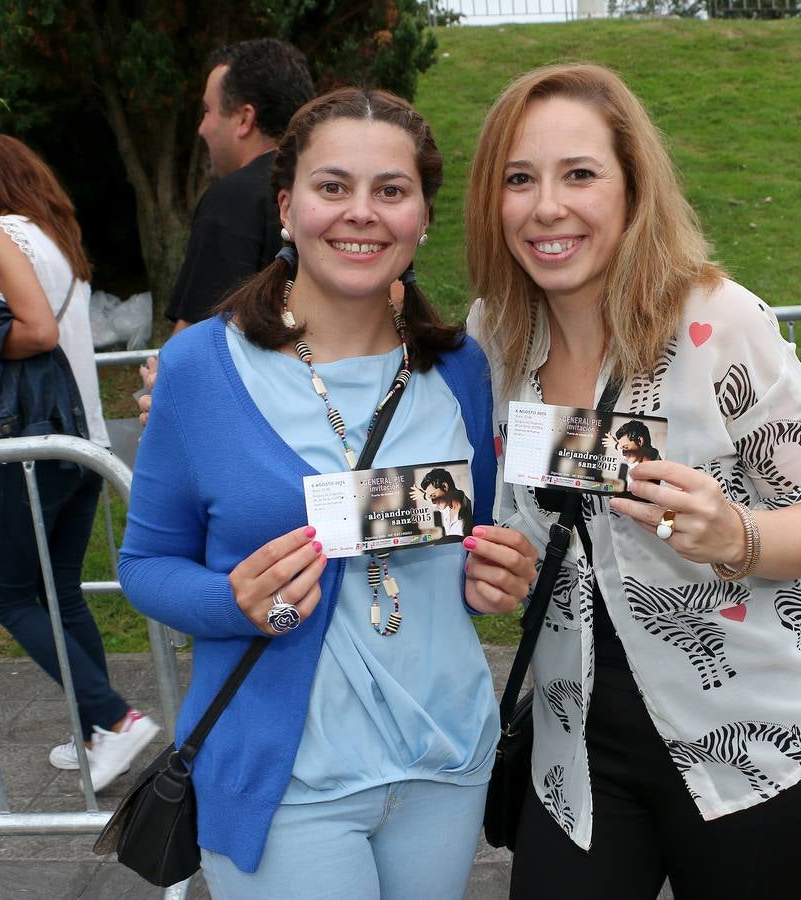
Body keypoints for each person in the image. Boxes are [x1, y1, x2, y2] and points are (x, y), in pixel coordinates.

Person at [119, 87, 537, 898]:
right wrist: (232, 601)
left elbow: (471, 545)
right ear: (287, 205)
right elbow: (146, 564)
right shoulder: (202, 369)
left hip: (444, 760)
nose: (362, 214)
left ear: (420, 217)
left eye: (391, 190)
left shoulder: (460, 371)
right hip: (288, 783)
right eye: (333, 187)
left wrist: (496, 582)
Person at [465, 63, 801, 898]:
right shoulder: (495, 336)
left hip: (754, 749)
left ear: (632, 187)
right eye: (519, 179)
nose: (547, 207)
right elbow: (521, 527)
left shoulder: (721, 324)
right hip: (574, 754)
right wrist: (493, 572)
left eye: (579, 174)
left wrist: (737, 535)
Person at [0, 134, 159, 790]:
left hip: (36, 442)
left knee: (9, 598)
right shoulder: (58, 241)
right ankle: (97, 731)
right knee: (61, 593)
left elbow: (37, 332)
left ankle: (114, 718)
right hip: (81, 444)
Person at [137, 40, 316, 427]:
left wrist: (162, 385)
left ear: (244, 119)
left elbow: (196, 337)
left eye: (206, 110)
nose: (201, 128)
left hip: (247, 424)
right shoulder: (336, 197)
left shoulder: (233, 198)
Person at [417, 467, 472, 537]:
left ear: (444, 486)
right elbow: (431, 498)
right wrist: (424, 496)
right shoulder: (446, 503)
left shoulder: (468, 518)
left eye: (433, 496)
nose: (433, 502)